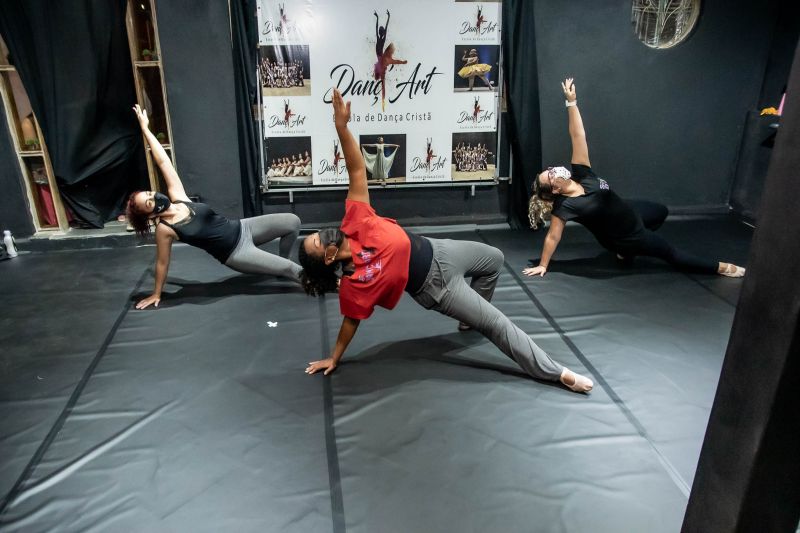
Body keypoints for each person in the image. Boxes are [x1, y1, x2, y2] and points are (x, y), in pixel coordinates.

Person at [297, 89, 593, 393]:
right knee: (497, 324)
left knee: (495, 259)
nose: (320, 234)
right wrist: (334, 357)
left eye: (315, 235)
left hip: (440, 249)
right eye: (317, 242)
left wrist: (341, 127)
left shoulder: (355, 220)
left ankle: (469, 319)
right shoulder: (354, 284)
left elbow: (357, 169)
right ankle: (555, 372)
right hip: (436, 287)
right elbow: (350, 323)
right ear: (329, 257)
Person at [525, 78, 746, 279]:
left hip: (630, 212)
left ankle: (626, 253)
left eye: (550, 169)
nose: (554, 170)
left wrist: (571, 102)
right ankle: (721, 267)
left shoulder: (581, 173)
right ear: (555, 190)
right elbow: (553, 237)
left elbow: (578, 135)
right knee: (670, 253)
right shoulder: (564, 207)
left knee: (661, 212)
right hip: (627, 236)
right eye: (551, 175)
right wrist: (544, 265)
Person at [127, 104, 303, 309]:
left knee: (293, 222)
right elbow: (162, 263)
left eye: (150, 193)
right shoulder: (165, 229)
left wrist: (146, 129)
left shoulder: (178, 197)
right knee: (292, 269)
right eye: (149, 203)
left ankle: (279, 266)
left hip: (243, 227)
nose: (154, 197)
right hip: (236, 252)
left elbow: (163, 162)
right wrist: (157, 293)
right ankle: (325, 283)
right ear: (149, 215)